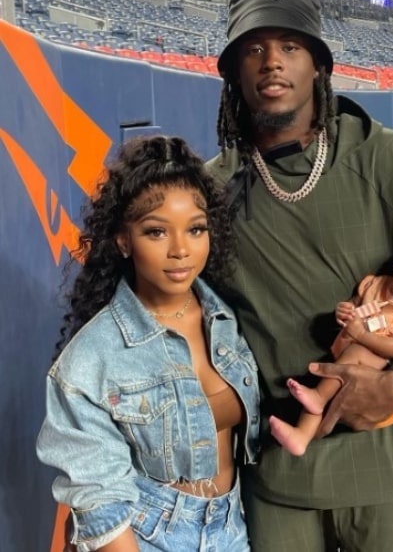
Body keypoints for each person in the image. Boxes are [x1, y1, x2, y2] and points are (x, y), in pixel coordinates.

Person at [208, 0, 393, 552]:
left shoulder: (384, 158)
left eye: (290, 46)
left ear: (319, 66)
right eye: (254, 49)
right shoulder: (214, 192)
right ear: (235, 71)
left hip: (386, 467)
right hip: (279, 473)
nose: (272, 63)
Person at [37, 135, 260, 551]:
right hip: (147, 534)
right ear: (124, 240)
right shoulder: (91, 358)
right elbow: (99, 498)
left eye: (196, 229)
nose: (181, 250)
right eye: (156, 232)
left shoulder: (230, 319)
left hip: (232, 527)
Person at [269, 235, 393, 456]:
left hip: (375, 368)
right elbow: (353, 306)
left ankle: (317, 402)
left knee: (341, 371)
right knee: (326, 387)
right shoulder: (375, 285)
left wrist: (362, 334)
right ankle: (301, 436)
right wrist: (344, 311)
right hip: (342, 355)